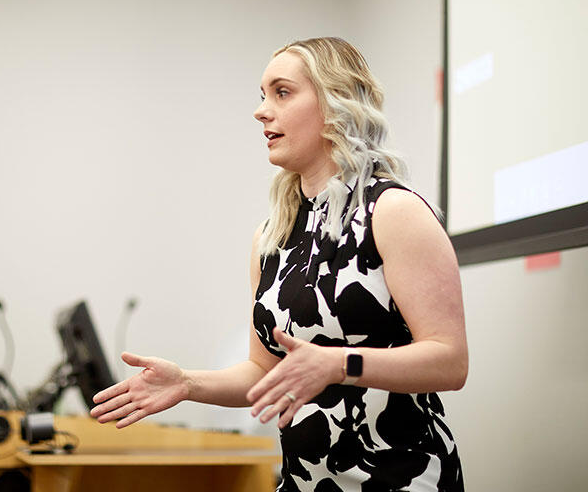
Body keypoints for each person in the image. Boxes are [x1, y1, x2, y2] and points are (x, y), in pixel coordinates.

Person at [90, 37, 467, 491]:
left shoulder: (393, 212)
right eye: (262, 95)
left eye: (282, 93)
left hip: (399, 479)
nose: (261, 111)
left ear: (335, 103)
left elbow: (450, 361)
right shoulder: (272, 237)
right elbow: (262, 372)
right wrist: (187, 383)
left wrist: (337, 365)